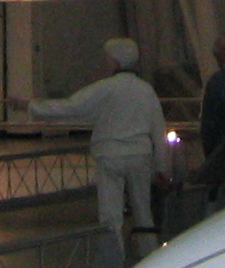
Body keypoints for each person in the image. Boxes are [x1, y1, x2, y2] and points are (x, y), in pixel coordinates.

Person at [30, 37, 172, 266]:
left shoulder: (104, 88)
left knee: (110, 216)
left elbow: (71, 106)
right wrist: (162, 167)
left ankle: (112, 260)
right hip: (140, 157)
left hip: (109, 155)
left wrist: (32, 106)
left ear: (115, 61)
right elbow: (158, 130)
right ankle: (151, 258)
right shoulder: (146, 91)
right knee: (143, 211)